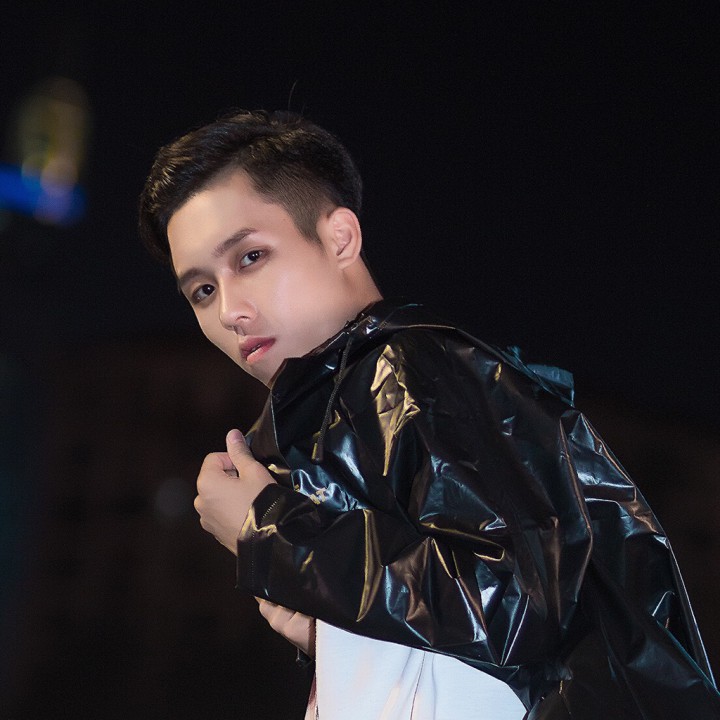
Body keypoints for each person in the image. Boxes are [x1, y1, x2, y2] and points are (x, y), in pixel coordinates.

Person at [139, 110, 720, 719]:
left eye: (251, 257)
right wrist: (329, 634)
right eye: (202, 291)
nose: (229, 311)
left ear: (340, 238)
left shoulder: (405, 371)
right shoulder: (339, 404)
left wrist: (271, 531)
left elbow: (520, 602)